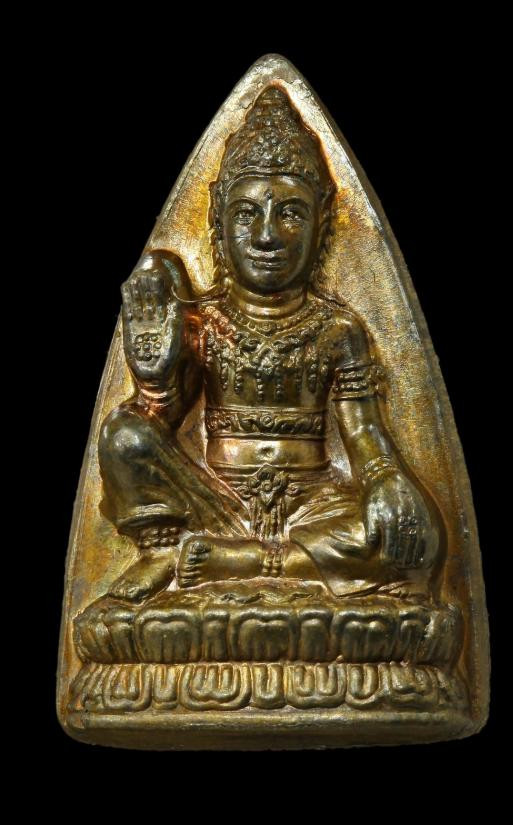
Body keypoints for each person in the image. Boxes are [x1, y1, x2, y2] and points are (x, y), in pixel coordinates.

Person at [99, 87, 441, 603]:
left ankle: (244, 562)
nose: (266, 236)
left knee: (419, 536)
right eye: (246, 214)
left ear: (322, 223)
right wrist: (155, 384)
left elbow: (365, 436)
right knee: (122, 436)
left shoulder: (338, 330)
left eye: (291, 213)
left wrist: (385, 481)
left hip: (313, 507)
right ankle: (164, 551)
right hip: (213, 504)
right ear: (217, 222)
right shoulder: (201, 320)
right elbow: (157, 431)